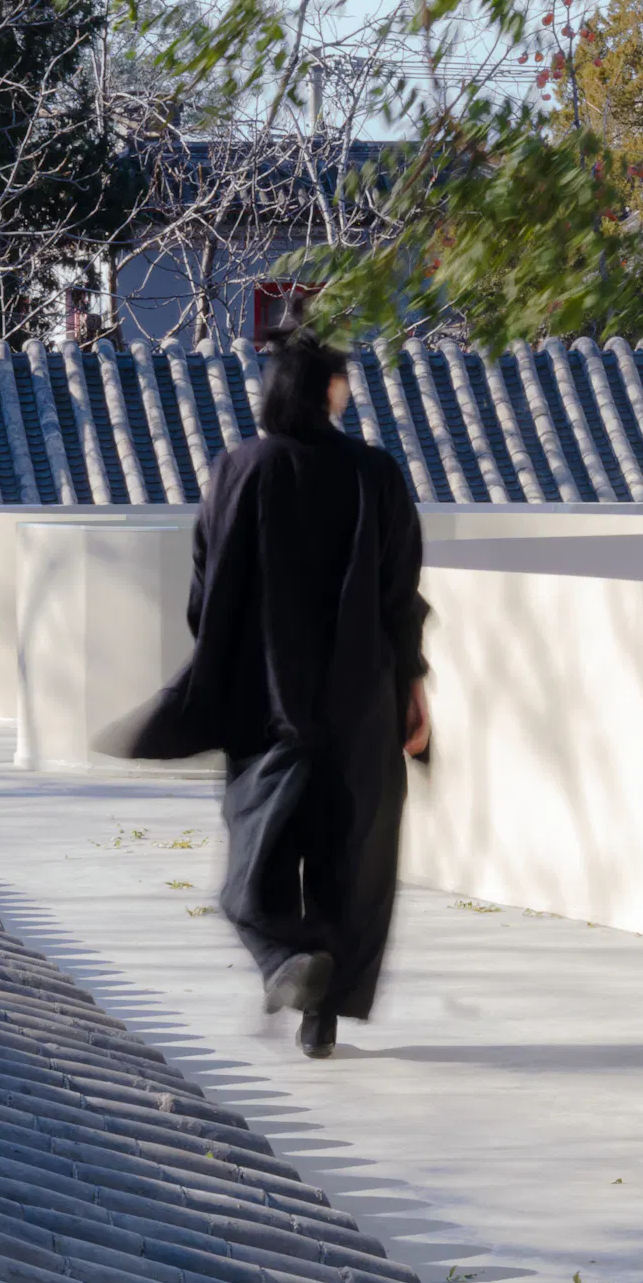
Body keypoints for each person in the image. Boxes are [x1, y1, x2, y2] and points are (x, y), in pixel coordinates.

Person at [106, 334, 429, 1057]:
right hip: (361, 701)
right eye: (341, 379)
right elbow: (399, 591)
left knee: (258, 859)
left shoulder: (238, 471)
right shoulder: (372, 474)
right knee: (352, 859)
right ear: (329, 391)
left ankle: (286, 959)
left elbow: (204, 587)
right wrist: (411, 686)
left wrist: (227, 662)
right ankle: (324, 1013)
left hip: (267, 704)